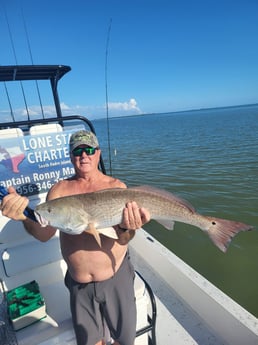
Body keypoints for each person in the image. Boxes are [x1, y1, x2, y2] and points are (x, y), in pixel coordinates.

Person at [0, 130, 150, 345]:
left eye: (89, 149)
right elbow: (44, 234)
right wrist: (23, 217)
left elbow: (124, 239)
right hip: (79, 286)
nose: (84, 155)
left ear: (98, 153)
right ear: (70, 156)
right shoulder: (59, 191)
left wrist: (129, 228)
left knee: (124, 340)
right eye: (78, 150)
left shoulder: (116, 187)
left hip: (116, 279)